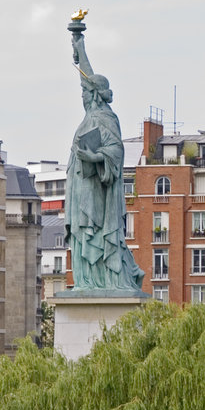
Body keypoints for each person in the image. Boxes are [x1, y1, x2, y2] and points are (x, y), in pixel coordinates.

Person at [65, 33, 144, 291]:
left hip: (95, 189)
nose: (83, 98)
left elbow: (116, 151)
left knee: (94, 234)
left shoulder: (105, 117)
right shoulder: (92, 114)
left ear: (96, 96)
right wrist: (80, 48)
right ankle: (87, 281)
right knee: (83, 236)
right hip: (81, 189)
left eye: (86, 94)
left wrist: (94, 157)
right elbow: (87, 81)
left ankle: (100, 281)